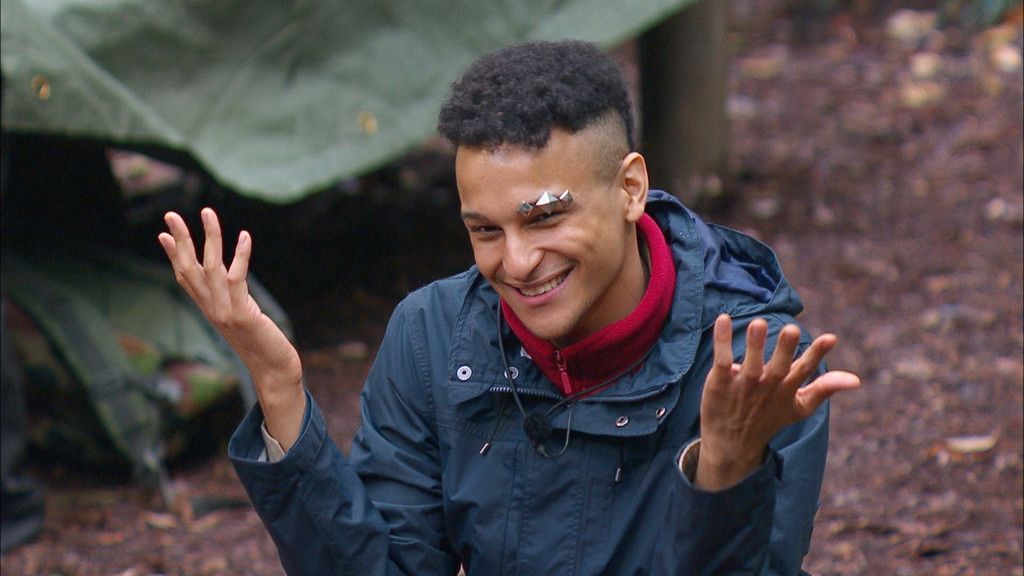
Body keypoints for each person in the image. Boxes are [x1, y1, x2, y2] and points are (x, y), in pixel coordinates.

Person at [158, 40, 860, 575]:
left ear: (629, 189)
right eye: (485, 231)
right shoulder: (432, 337)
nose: (516, 263)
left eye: (544, 217)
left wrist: (727, 468)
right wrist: (279, 389)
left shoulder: (752, 363)